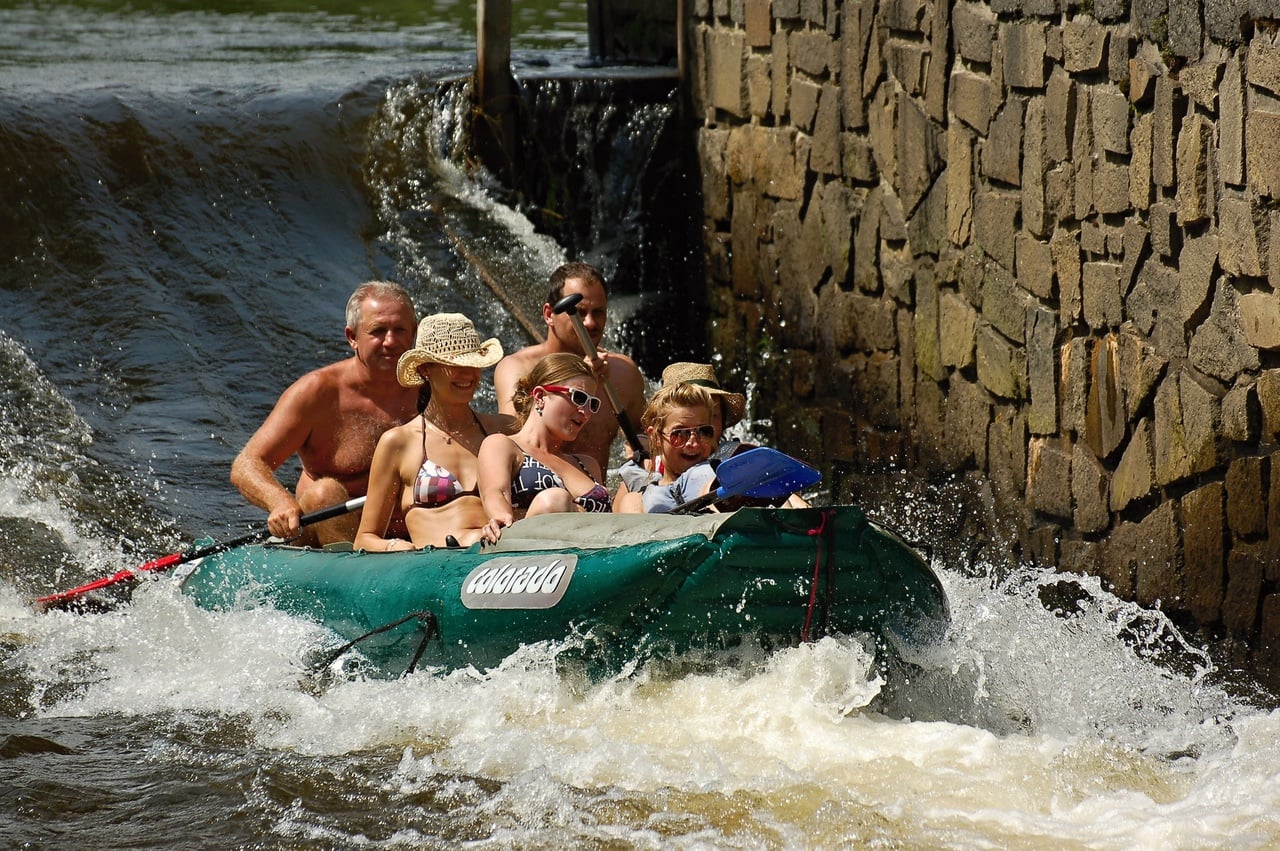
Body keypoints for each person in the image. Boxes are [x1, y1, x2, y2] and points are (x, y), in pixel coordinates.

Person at [230, 281, 418, 546]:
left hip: (413, 535)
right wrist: (280, 502)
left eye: (400, 330)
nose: (390, 341)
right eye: (377, 331)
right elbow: (247, 464)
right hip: (336, 543)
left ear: (414, 332)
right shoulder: (317, 393)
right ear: (352, 337)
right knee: (323, 493)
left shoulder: (433, 386)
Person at [354, 313, 513, 552]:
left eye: (474, 364)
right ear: (425, 369)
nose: (468, 374)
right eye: (455, 365)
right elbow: (365, 539)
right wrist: (394, 547)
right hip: (436, 569)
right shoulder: (399, 442)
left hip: (497, 563)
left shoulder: (502, 429)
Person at [493, 261, 646, 475]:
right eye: (580, 312)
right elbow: (516, 443)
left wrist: (643, 444)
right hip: (540, 498)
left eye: (598, 312)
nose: (590, 323)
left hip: (595, 499)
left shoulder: (624, 373)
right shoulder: (516, 368)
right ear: (549, 314)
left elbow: (650, 435)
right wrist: (577, 383)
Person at [479, 353, 613, 542]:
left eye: (592, 403)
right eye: (578, 397)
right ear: (540, 396)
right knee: (555, 500)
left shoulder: (587, 465)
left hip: (592, 557)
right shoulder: (503, 445)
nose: (585, 412)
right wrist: (499, 516)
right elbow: (495, 492)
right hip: (531, 558)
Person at [613, 381, 721, 513]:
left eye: (704, 431)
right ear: (656, 437)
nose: (693, 443)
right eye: (679, 434)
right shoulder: (636, 502)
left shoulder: (722, 478)